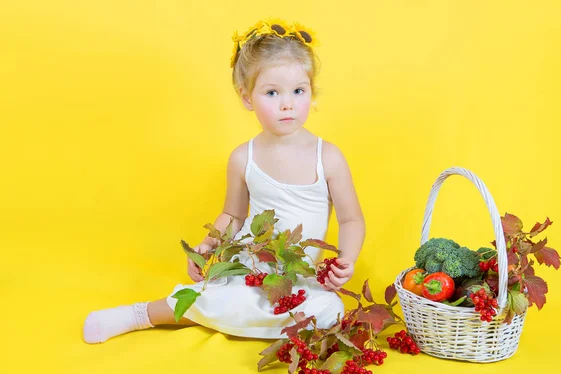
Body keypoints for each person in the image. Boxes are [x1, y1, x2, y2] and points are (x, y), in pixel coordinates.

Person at [83, 19, 365, 343]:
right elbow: (233, 216)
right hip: (250, 270)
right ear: (247, 98)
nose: (287, 103)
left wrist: (346, 259)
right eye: (272, 92)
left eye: (298, 91)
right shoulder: (243, 158)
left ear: (311, 91)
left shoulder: (327, 157)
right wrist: (207, 247)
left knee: (332, 309)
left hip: (297, 279)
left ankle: (229, 317)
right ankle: (139, 315)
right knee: (216, 297)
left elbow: (351, 218)